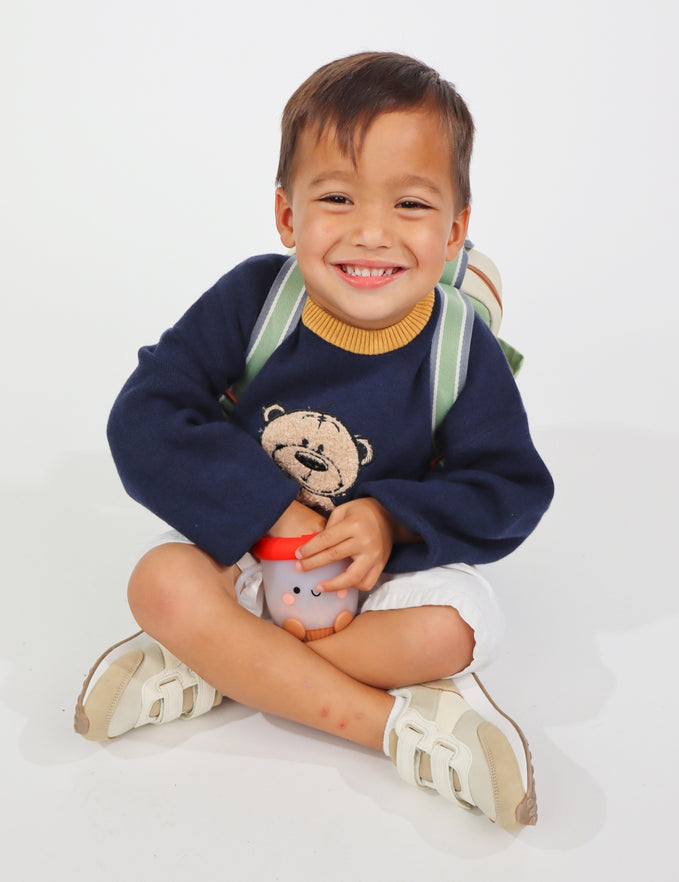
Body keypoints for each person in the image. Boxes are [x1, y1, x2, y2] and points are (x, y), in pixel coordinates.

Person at [74, 51, 553, 830]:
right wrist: (269, 511)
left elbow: (509, 491)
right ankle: (397, 730)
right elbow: (145, 415)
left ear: (456, 229)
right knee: (159, 583)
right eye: (337, 197)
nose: (372, 233)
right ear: (288, 215)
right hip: (244, 557)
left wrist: (392, 517)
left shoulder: (461, 352)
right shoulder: (257, 302)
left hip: (372, 595)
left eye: (410, 205)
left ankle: (221, 663)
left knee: (461, 628)